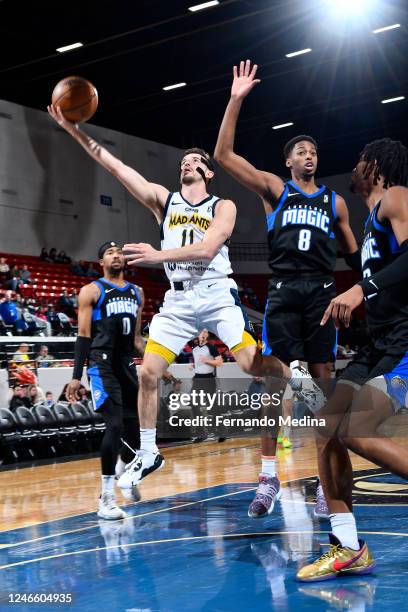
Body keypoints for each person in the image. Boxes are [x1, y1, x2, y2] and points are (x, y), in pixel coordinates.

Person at [47, 103, 324, 495]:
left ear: (208, 173)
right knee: (148, 373)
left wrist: (156, 255)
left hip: (216, 294)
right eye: (183, 162)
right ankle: (148, 451)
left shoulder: (221, 207)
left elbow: (208, 250)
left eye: (194, 161)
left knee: (251, 366)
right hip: (177, 303)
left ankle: (294, 374)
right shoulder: (164, 200)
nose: (186, 165)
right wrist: (74, 129)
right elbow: (114, 166)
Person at [213, 59, 359, 518]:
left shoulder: (334, 202)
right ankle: (268, 476)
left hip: (320, 292)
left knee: (320, 387)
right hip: (283, 289)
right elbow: (223, 157)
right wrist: (236, 99)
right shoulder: (275, 189)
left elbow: (355, 259)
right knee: (275, 385)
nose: (309, 154)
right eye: (301, 150)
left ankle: (323, 478)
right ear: (288, 161)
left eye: (313, 150)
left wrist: (369, 288)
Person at [297, 137, 408, 581]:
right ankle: (347, 546)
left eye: (361, 159)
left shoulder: (397, 197)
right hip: (378, 342)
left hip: (405, 342)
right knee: (325, 427)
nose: (355, 166)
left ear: (377, 166)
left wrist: (362, 289)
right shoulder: (367, 221)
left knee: (355, 430)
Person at [65, 241, 144, 520]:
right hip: (101, 364)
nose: (116, 255)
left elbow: (136, 339)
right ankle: (106, 499)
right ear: (101, 262)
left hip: (126, 365)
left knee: (135, 433)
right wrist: (76, 377)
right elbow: (84, 334)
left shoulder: (137, 292)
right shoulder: (92, 291)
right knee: (114, 425)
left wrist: (161, 364)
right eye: (110, 253)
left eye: (119, 252)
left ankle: (123, 471)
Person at [190, 329, 223, 441]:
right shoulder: (194, 349)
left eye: (205, 332)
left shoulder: (211, 347)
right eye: (201, 332)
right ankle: (201, 433)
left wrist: (206, 361)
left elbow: (219, 362)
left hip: (209, 379)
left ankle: (220, 430)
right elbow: (199, 362)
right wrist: (194, 365)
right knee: (194, 404)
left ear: (208, 335)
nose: (203, 334)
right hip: (197, 379)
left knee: (212, 406)